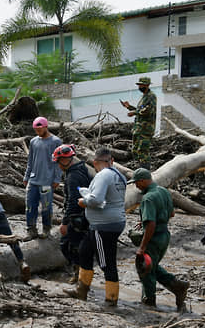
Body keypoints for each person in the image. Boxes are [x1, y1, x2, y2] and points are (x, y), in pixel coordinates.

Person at [65, 147, 126, 307]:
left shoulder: (103, 175)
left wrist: (83, 201)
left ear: (95, 162)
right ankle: (81, 290)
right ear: (111, 160)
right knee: (85, 251)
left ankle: (111, 299)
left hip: (104, 225)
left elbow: (97, 200)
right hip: (106, 223)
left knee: (106, 262)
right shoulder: (119, 175)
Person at [129, 168, 189, 311]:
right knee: (152, 266)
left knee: (145, 268)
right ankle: (177, 286)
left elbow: (151, 224)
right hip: (164, 236)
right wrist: (150, 219)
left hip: (153, 238)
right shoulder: (164, 191)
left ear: (143, 181)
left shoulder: (148, 198)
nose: (136, 186)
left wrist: (142, 247)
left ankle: (149, 302)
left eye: (137, 183)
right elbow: (172, 213)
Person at [53, 144, 90, 283]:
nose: (58, 165)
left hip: (77, 216)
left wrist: (65, 222)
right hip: (85, 213)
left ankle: (79, 274)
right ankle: (80, 273)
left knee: (68, 245)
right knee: (76, 245)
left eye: (58, 162)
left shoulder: (73, 176)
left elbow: (73, 201)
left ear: (64, 160)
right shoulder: (82, 168)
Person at [23, 116, 62, 239]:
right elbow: (30, 161)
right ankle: (31, 229)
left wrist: (57, 178)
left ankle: (46, 229)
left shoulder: (56, 141)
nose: (38, 132)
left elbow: (59, 162)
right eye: (36, 130)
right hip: (33, 181)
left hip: (47, 181)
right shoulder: (34, 142)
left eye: (40, 129)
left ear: (46, 127)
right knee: (30, 205)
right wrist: (26, 176)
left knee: (46, 206)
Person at [121, 76, 156, 167]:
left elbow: (148, 110)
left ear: (147, 85)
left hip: (145, 129)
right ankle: (140, 169)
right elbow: (140, 109)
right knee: (135, 150)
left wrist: (134, 113)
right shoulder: (144, 97)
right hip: (139, 129)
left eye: (141, 85)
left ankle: (145, 173)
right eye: (139, 85)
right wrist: (129, 107)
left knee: (143, 152)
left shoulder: (151, 96)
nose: (139, 87)